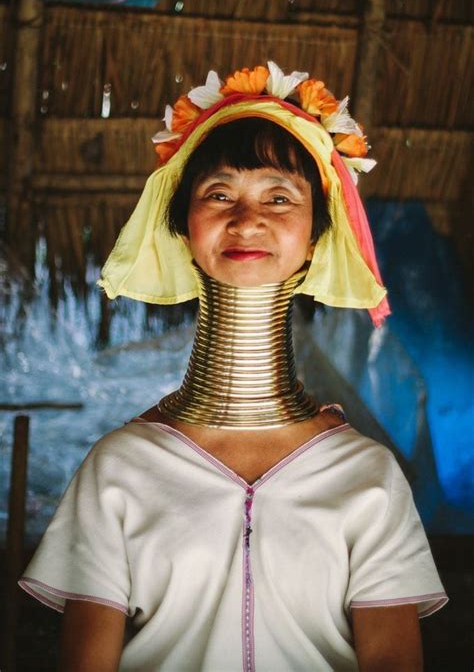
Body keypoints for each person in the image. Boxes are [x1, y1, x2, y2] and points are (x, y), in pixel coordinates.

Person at [19, 62, 447, 671]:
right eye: (219, 194)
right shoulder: (120, 468)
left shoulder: (366, 477)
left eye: (280, 196)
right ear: (182, 226)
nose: (248, 220)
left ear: (317, 235)